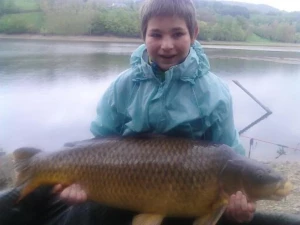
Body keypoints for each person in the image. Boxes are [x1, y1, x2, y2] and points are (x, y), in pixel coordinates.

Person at [54, 0, 256, 223]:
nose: (167, 45)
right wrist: (77, 184)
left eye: (177, 34)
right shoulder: (123, 86)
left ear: (194, 33)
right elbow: (99, 143)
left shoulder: (215, 92)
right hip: (122, 188)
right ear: (144, 36)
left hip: (188, 196)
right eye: (156, 35)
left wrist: (244, 203)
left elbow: (232, 156)